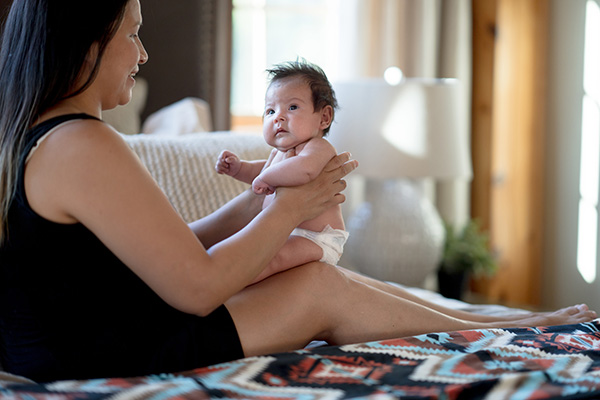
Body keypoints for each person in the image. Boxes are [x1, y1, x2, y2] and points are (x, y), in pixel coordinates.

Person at [0, 0, 595, 384]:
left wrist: (261, 201)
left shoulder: (44, 138)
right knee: (314, 284)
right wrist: (289, 208)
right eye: (134, 33)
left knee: (317, 278)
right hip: (98, 357)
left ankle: (500, 320)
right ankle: (504, 329)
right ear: (88, 40)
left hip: (91, 337)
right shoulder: (82, 142)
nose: (143, 53)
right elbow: (197, 285)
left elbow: (175, 250)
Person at [216, 60, 348, 283]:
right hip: (288, 233)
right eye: (270, 110)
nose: (278, 117)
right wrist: (240, 169)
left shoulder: (318, 148)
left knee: (271, 259)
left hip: (317, 238)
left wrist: (265, 177)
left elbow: (304, 170)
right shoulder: (279, 154)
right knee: (257, 254)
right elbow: (264, 172)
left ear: (324, 117)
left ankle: (234, 285)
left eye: (293, 107)